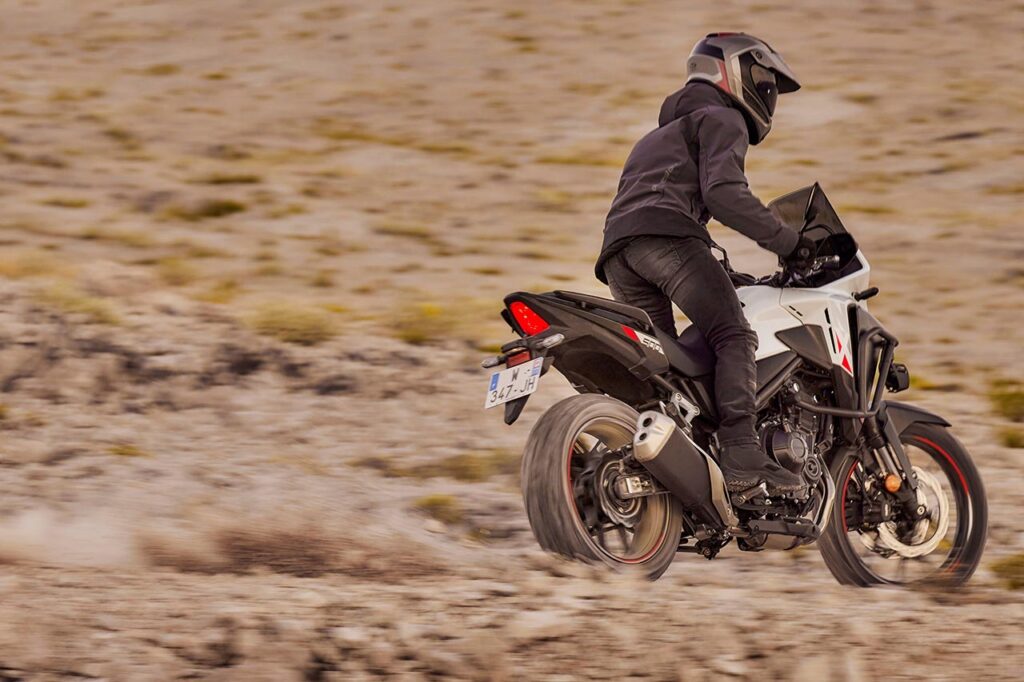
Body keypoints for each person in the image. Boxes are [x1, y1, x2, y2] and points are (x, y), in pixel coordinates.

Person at [595, 33, 814, 494]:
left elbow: (658, 201)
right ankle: (740, 450)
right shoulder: (723, 118)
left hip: (619, 254)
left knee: (665, 374)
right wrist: (789, 243)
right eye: (765, 82)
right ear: (732, 72)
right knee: (733, 333)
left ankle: (668, 469)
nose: (768, 94)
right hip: (666, 242)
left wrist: (721, 268)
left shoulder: (654, 137)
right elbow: (724, 195)